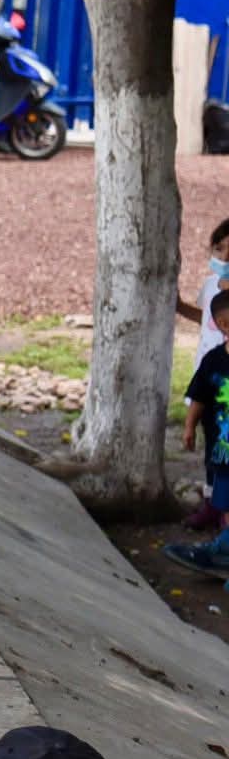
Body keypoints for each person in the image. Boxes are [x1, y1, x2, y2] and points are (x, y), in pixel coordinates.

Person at [176, 219, 229, 531]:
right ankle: (212, 503)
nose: (224, 257)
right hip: (208, 374)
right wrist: (180, 307)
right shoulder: (210, 285)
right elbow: (205, 317)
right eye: (219, 248)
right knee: (211, 442)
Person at [171, 291, 229, 567]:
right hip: (222, 451)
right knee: (225, 503)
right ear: (224, 324)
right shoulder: (213, 361)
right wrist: (189, 427)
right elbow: (199, 398)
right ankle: (223, 552)